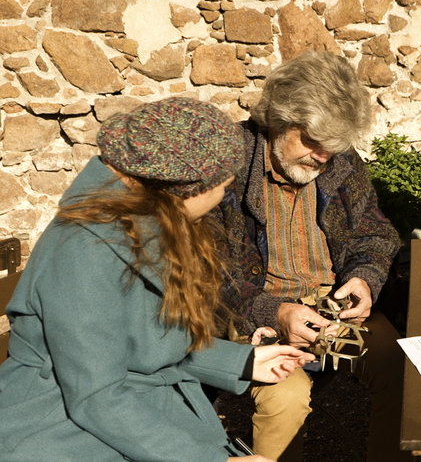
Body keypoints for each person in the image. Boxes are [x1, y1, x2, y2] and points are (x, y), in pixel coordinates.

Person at [0, 98, 313, 461]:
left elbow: (142, 345)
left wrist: (242, 362)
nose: (225, 194)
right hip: (57, 429)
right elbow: (96, 395)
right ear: (187, 188)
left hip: (120, 413)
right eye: (223, 185)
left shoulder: (153, 227)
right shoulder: (84, 249)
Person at [210, 51, 405, 461]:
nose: (323, 158)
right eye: (315, 144)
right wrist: (272, 312)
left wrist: (364, 277)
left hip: (332, 308)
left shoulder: (338, 160)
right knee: (287, 398)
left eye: (333, 148)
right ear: (280, 119)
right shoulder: (226, 162)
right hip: (255, 315)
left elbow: (374, 231)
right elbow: (204, 274)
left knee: (403, 369)